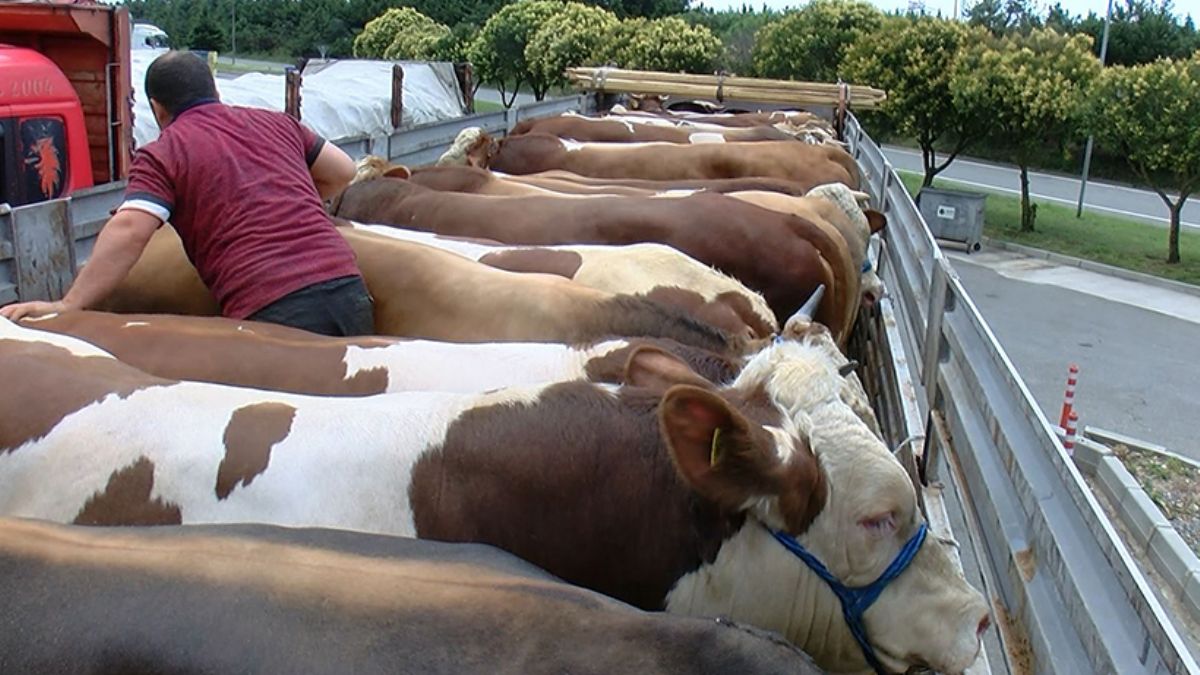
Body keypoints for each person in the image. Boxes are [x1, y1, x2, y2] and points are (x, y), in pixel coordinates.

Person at [0, 50, 374, 337]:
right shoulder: (277, 122)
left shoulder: (165, 152)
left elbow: (130, 229)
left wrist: (70, 304)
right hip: (350, 292)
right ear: (215, 89)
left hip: (274, 310)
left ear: (157, 108)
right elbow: (343, 171)